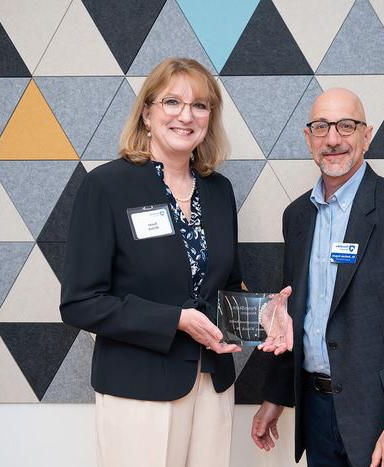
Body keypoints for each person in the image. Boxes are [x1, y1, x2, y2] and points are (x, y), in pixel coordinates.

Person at [60, 57, 281, 467]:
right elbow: (79, 302)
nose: (186, 115)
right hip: (138, 388)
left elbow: (225, 284)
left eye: (200, 105)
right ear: (147, 112)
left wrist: (265, 312)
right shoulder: (107, 186)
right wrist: (175, 320)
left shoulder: (219, 191)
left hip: (213, 385)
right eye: (172, 102)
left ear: (210, 118)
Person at [251, 88, 384, 467]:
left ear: (366, 135)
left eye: (346, 126)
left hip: (382, 420)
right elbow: (292, 314)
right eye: (321, 127)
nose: (333, 139)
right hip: (316, 410)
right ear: (308, 138)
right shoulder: (297, 217)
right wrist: (276, 397)